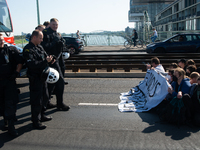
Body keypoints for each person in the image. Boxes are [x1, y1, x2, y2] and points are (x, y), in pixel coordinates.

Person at [23, 30, 54, 129]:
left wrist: (51, 59)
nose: (42, 40)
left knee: (45, 97)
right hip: (35, 78)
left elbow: (45, 58)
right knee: (36, 100)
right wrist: (45, 61)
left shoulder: (39, 47)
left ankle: (42, 115)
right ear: (34, 37)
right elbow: (32, 65)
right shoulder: (28, 49)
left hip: (43, 77)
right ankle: (36, 121)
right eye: (40, 38)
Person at [41, 18, 70, 111]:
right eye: (53, 24)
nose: (55, 26)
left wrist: (62, 44)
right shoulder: (45, 33)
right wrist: (55, 42)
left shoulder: (56, 33)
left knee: (51, 84)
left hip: (57, 60)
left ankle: (47, 103)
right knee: (59, 82)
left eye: (56, 25)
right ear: (50, 24)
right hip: (50, 61)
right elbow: (44, 47)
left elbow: (59, 47)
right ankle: (59, 104)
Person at [0, 33, 23, 136]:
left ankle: (11, 126)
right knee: (1, 104)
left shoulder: (11, 50)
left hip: (9, 81)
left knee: (11, 103)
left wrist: (16, 73)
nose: (1, 42)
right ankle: (5, 121)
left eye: (1, 40)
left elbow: (20, 62)